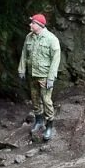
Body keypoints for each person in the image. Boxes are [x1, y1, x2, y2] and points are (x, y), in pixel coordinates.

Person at [17, 13, 61, 141]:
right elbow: (24, 53)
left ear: (39, 25)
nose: (30, 25)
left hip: (44, 76)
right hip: (32, 75)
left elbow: (56, 60)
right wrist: (21, 69)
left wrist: (51, 78)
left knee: (46, 101)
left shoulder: (51, 39)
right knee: (35, 99)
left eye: (33, 23)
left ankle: (49, 126)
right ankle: (39, 121)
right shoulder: (29, 37)